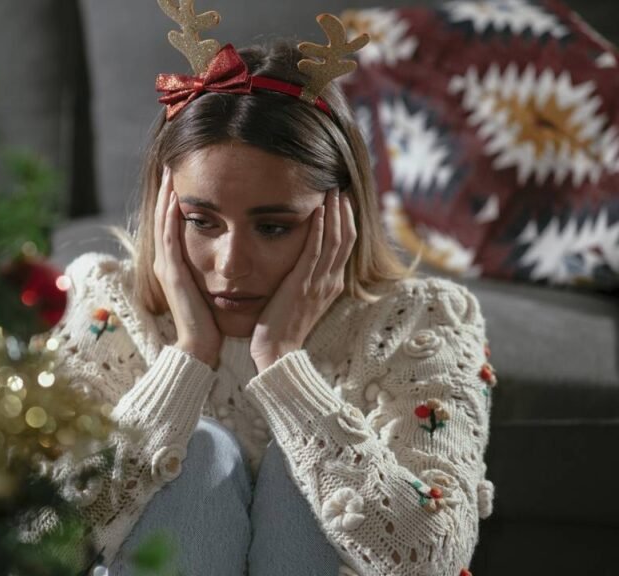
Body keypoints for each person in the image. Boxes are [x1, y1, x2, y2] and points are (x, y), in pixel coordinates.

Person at [37, 14, 496, 576]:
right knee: (198, 451)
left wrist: (284, 367)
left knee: (302, 470)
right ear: (164, 207)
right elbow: (34, 541)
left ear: (343, 216)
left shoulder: (424, 320)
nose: (231, 265)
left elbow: (433, 560)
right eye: (202, 221)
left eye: (274, 227)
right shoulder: (105, 299)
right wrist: (186, 359)